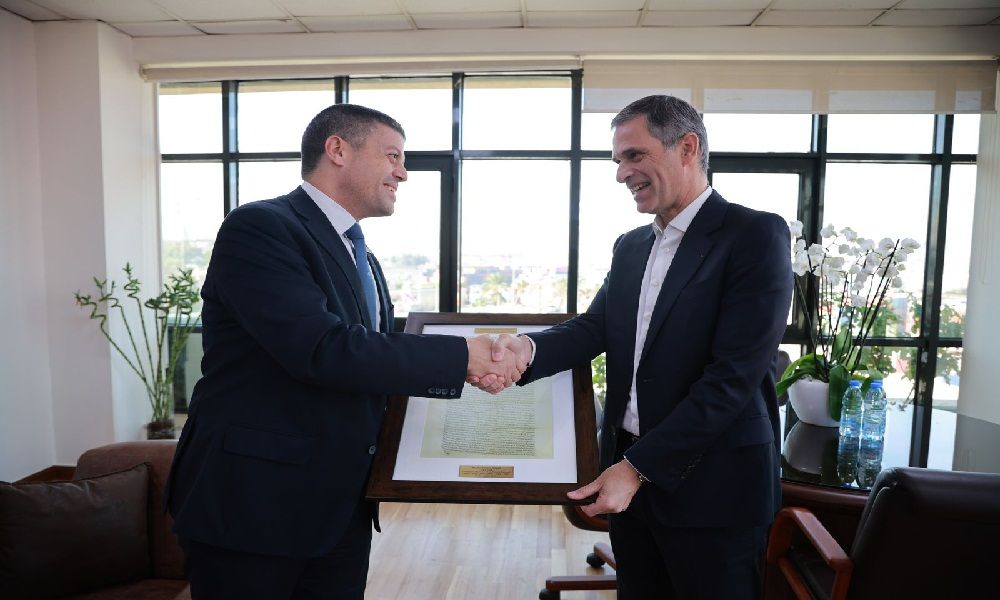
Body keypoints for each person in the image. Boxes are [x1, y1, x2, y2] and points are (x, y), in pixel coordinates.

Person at [165, 104, 523, 599]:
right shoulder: (261, 228)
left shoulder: (362, 254)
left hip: (340, 507)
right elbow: (321, 348)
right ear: (337, 149)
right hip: (254, 506)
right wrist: (464, 358)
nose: (403, 172)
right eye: (392, 156)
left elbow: (373, 358)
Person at [479, 95, 793, 599]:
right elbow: (593, 329)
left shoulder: (753, 234)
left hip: (714, 488)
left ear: (687, 148)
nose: (622, 173)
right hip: (627, 477)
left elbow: (732, 377)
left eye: (634, 155)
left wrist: (638, 467)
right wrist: (523, 350)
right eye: (618, 160)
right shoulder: (631, 246)